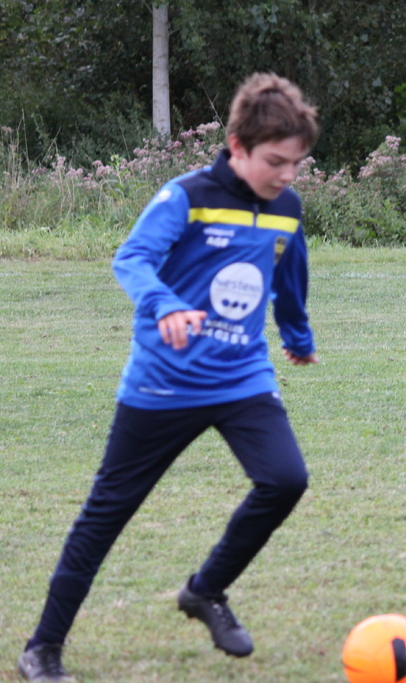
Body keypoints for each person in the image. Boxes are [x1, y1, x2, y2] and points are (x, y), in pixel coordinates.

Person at [18, 73, 320, 682]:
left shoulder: (286, 208)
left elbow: (289, 276)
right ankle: (42, 649)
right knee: (106, 515)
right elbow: (131, 259)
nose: (288, 175)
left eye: (297, 163)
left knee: (286, 480)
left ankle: (205, 591)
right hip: (164, 383)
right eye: (276, 161)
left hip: (242, 379)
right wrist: (165, 306)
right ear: (237, 147)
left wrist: (297, 337)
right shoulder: (186, 195)